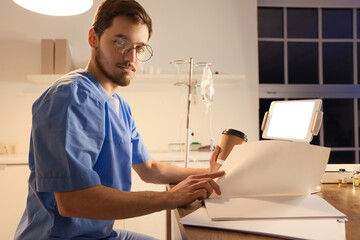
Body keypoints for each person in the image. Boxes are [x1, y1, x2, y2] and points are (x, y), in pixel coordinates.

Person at [14, 0, 225, 239]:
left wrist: (210, 174)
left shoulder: (119, 106)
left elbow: (150, 169)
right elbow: (73, 201)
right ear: (93, 38)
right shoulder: (69, 98)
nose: (131, 57)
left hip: (100, 234)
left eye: (140, 48)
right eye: (121, 42)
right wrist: (170, 198)